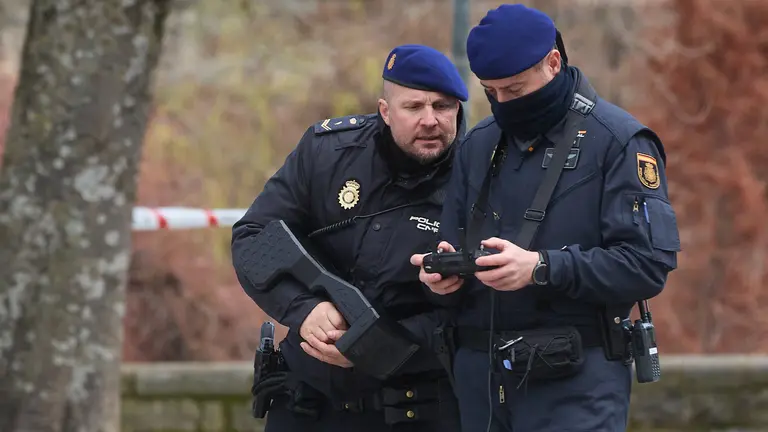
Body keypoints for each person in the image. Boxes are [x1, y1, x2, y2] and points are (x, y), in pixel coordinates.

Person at [410, 4, 681, 432]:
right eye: (490, 93)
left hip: (575, 385)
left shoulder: (618, 142)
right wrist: (442, 278)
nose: (502, 103)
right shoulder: (478, 144)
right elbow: (451, 248)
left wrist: (542, 268)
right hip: (480, 386)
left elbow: (647, 265)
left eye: (514, 91)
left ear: (553, 62)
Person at [231, 44, 468, 432]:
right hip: (308, 401)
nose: (430, 120)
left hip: (414, 405)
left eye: (443, 106)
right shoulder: (328, 153)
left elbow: (488, 311)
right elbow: (253, 238)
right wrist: (304, 309)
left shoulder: (480, 178)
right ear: (386, 111)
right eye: (414, 107)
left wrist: (374, 347)